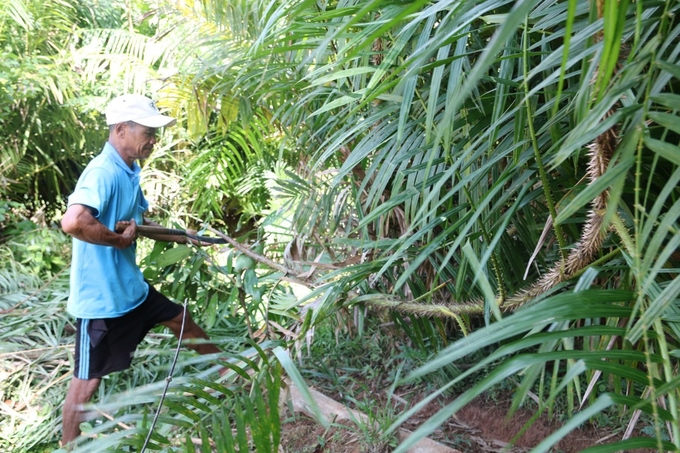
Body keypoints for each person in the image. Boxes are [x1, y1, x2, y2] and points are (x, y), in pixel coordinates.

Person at [60, 94, 222, 447]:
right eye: (148, 132)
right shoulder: (103, 172)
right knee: (85, 383)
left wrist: (184, 237)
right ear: (121, 130)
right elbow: (73, 222)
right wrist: (118, 242)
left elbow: (139, 223)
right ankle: (67, 447)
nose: (154, 141)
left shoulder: (129, 169)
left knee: (182, 321)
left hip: (130, 289)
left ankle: (229, 372)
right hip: (101, 299)